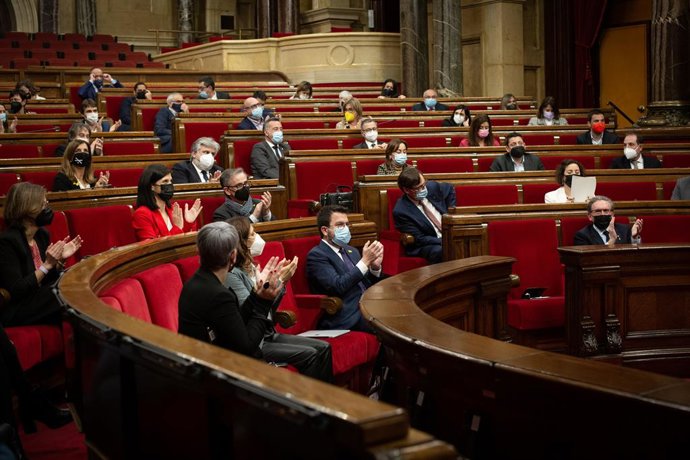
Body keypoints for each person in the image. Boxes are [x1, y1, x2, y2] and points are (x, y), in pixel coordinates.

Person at [223, 216, 332, 382]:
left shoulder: (251, 266)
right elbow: (253, 313)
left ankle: (327, 402)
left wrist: (281, 283)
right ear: (241, 243)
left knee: (324, 347)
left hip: (268, 333)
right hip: (256, 341)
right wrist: (279, 282)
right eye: (252, 235)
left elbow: (269, 310)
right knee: (310, 354)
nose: (258, 238)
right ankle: (306, 406)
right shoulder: (232, 275)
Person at [178, 221, 287, 359]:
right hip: (212, 370)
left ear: (199, 252)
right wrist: (263, 303)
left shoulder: (193, 283)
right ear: (233, 256)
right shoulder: (219, 295)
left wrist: (256, 295)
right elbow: (246, 348)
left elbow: (235, 324)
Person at [0, 182, 82, 327]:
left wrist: (60, 260)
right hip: (19, 308)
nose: (47, 209)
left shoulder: (41, 234)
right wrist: (47, 265)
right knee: (67, 293)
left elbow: (48, 279)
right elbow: (17, 290)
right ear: (27, 209)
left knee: (76, 282)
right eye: (43, 205)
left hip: (41, 300)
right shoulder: (7, 242)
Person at [306, 205, 384, 332]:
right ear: (325, 230)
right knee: (391, 327)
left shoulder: (351, 251)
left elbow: (366, 285)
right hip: (349, 315)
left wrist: (375, 268)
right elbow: (337, 286)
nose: (346, 229)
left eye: (347, 225)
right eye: (340, 225)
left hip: (370, 306)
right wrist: (364, 262)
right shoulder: (317, 255)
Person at [392, 168, 455, 264]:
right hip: (427, 244)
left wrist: (451, 212)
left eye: (424, 185)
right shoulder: (401, 211)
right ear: (406, 190)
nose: (423, 189)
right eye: (418, 188)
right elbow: (419, 239)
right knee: (441, 250)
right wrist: (444, 240)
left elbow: (450, 188)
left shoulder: (431, 187)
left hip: (449, 234)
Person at [131, 164, 201, 241]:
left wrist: (188, 222)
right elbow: (152, 248)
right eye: (165, 181)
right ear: (152, 186)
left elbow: (183, 240)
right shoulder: (142, 214)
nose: (169, 184)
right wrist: (177, 228)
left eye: (170, 181)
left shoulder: (171, 209)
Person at [574, 196, 643, 246]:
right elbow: (589, 259)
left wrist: (634, 238)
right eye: (598, 211)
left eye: (606, 211)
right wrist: (611, 241)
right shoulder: (582, 235)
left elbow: (634, 254)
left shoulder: (624, 229)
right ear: (590, 216)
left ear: (612, 214)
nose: (602, 214)